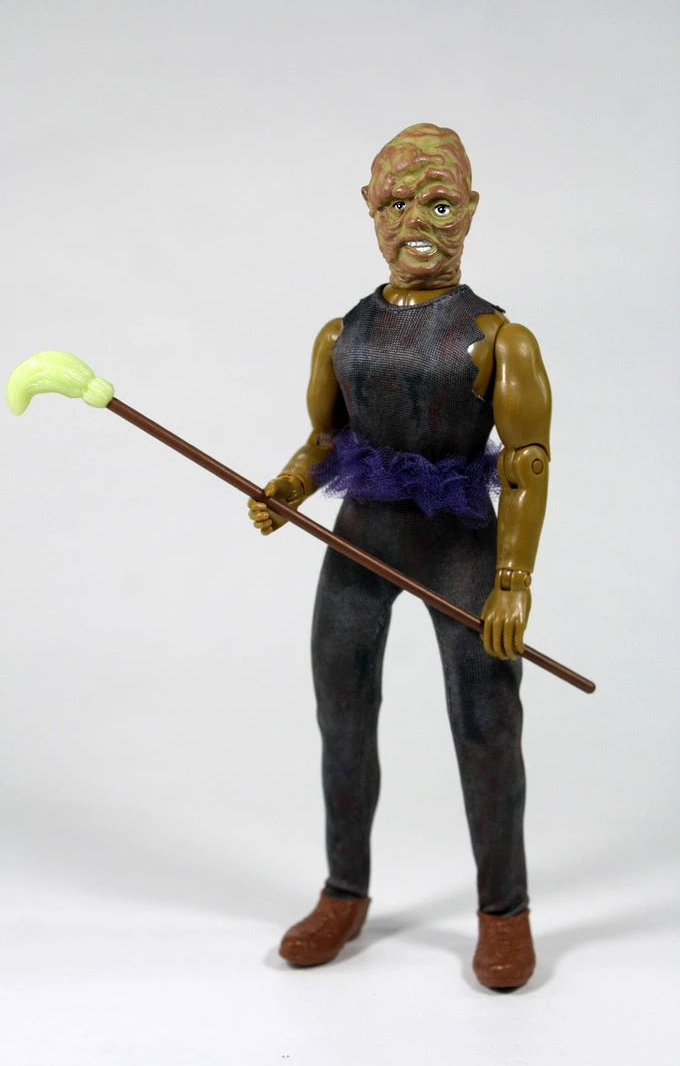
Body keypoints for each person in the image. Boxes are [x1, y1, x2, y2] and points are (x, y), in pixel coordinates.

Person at [248, 124, 551, 990]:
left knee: (487, 722)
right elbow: (322, 439)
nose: (416, 221)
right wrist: (288, 487)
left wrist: (513, 583)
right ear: (370, 212)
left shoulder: (500, 339)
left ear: (472, 211)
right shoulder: (341, 336)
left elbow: (525, 468)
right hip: (363, 540)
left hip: (461, 547)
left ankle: (505, 910)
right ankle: (344, 893)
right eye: (396, 203)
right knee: (342, 714)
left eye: (440, 204)